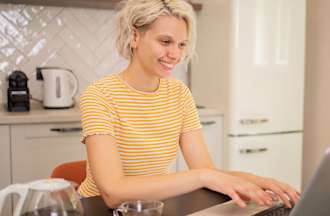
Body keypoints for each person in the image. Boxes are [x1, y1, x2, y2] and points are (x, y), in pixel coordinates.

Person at [78, 0, 300, 209]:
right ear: (135, 37)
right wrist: (202, 176)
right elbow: (113, 193)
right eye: (165, 41)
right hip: (99, 210)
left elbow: (207, 171)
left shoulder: (179, 94)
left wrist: (262, 182)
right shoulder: (99, 95)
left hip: (151, 207)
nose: (175, 54)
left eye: (181, 44)